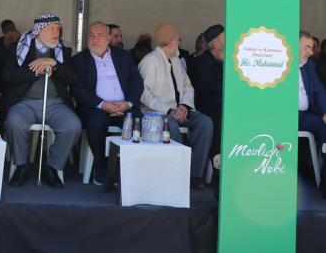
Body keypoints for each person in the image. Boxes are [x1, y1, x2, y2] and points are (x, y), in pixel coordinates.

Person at [1, 13, 80, 189]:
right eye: (51, 29)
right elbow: (8, 76)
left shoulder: (63, 51)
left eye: (57, 29)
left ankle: (52, 166)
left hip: (55, 104)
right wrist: (35, 71)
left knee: (73, 125)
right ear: (38, 31)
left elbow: (72, 78)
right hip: (24, 103)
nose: (56, 33)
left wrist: (54, 64)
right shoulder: (18, 48)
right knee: (14, 122)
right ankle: (21, 166)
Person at [138, 23, 214, 190]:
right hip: (157, 113)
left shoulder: (175, 60)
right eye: (178, 40)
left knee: (205, 122)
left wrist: (184, 106)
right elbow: (144, 94)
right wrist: (169, 111)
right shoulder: (150, 61)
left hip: (180, 110)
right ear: (169, 42)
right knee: (169, 125)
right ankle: (176, 173)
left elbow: (188, 86)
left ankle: (194, 175)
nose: (180, 43)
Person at [71, 21, 143, 185]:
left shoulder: (123, 56)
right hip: (94, 107)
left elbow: (137, 83)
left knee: (136, 120)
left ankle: (126, 167)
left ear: (109, 39)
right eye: (91, 35)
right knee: (97, 122)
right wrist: (102, 104)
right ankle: (101, 166)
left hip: (123, 106)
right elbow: (77, 90)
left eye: (100, 35)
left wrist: (127, 104)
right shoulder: (79, 60)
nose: (95, 39)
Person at [192, 24, 224, 159]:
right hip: (210, 108)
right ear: (216, 44)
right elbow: (213, 88)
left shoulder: (230, 60)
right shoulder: (202, 63)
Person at [299, 31, 326, 161]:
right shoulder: (279, 66)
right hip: (286, 116)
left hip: (305, 115)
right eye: (307, 47)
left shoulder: (309, 65)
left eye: (312, 48)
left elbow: (319, 90)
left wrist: (325, 111)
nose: (311, 52)